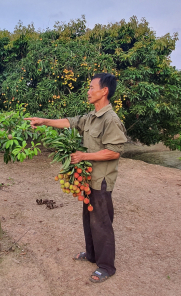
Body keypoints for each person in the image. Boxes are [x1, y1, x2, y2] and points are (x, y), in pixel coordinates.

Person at [25, 73, 127, 283]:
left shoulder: (111, 119)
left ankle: (106, 266)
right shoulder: (91, 117)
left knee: (101, 222)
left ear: (104, 91)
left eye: (91, 88)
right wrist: (44, 121)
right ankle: (91, 255)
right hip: (88, 179)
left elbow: (114, 151)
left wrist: (84, 156)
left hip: (101, 179)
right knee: (89, 219)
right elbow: (69, 122)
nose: (88, 91)